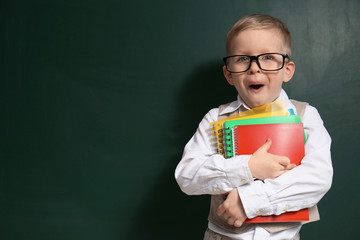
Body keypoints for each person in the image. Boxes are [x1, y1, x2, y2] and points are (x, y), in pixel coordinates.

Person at [174, 14, 333, 240]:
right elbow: (187, 177)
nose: (254, 68)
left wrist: (247, 201)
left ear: (287, 69)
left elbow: (317, 178)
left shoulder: (307, 117)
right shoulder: (214, 118)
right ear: (229, 73)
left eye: (268, 57)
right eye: (242, 59)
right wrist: (249, 167)